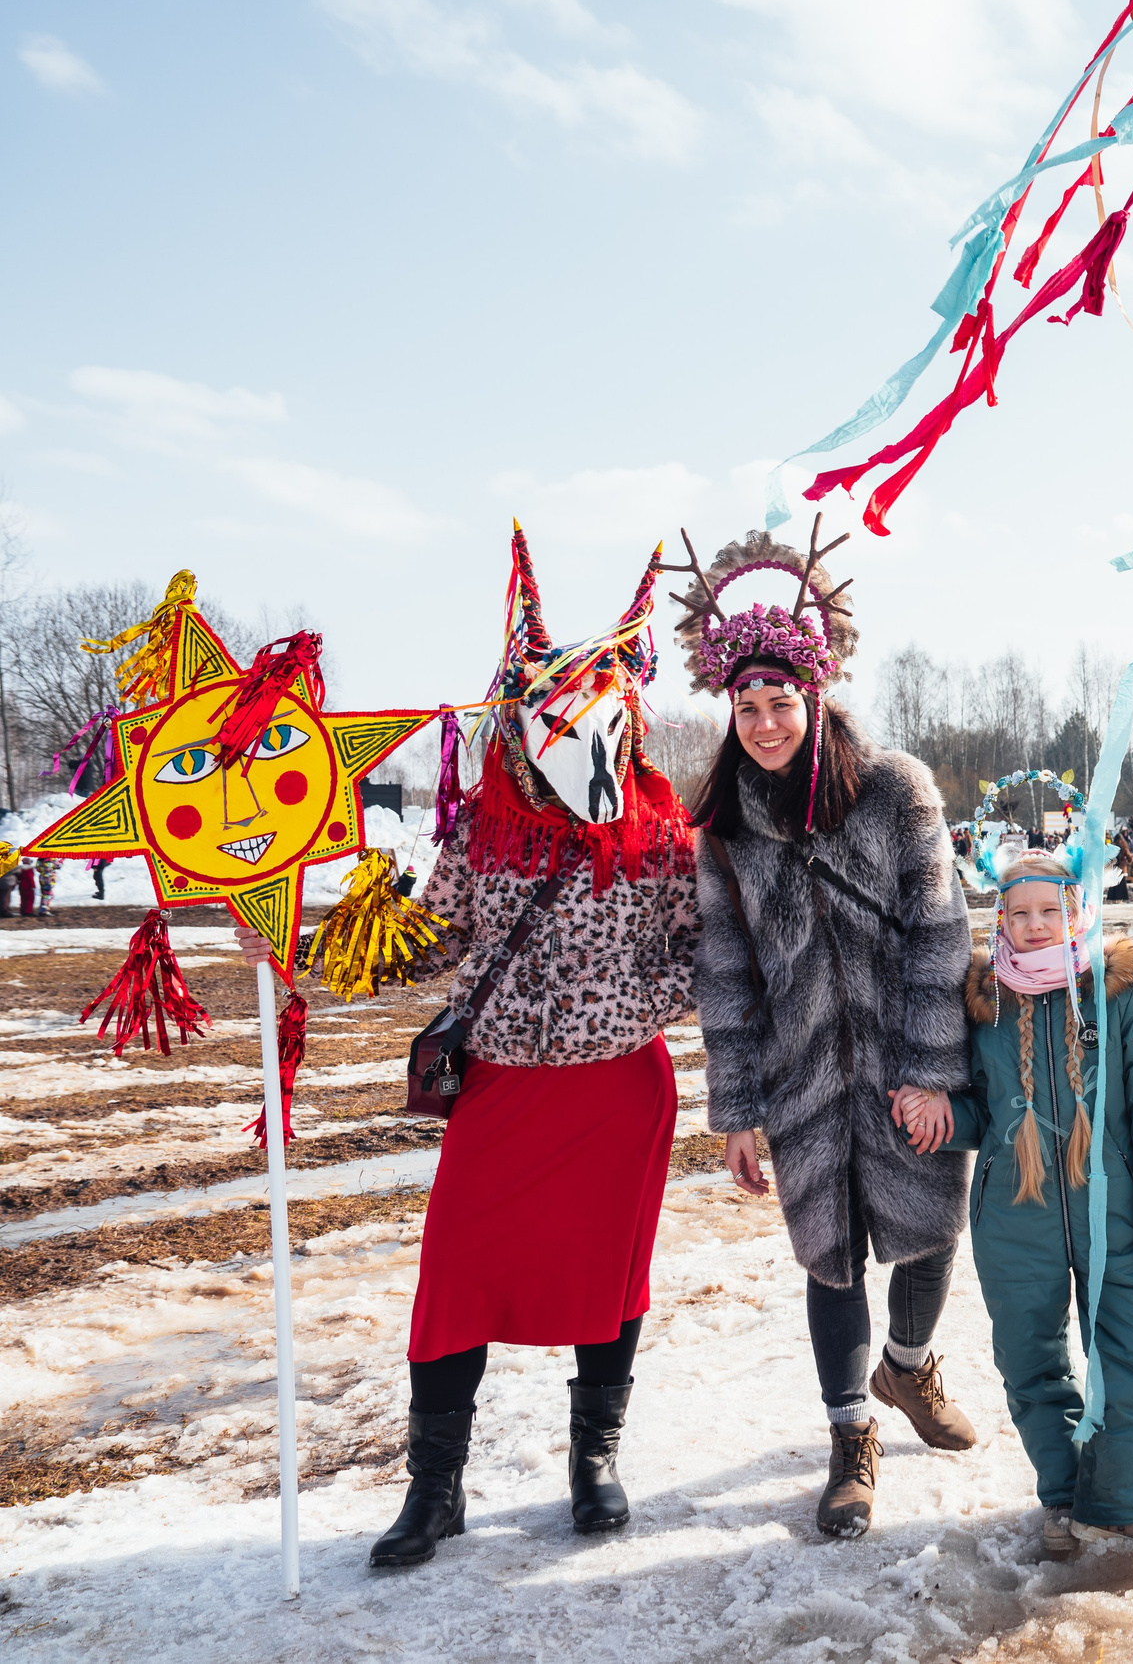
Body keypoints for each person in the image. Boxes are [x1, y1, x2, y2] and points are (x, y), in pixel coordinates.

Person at [344, 527, 700, 1568]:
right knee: (456, 1275)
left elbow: (700, 952)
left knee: (606, 1274)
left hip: (616, 1090)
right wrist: (310, 940)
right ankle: (434, 1486)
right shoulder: (482, 832)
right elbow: (426, 940)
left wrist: (631, 1007)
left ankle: (594, 1462)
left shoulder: (659, 834)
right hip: (499, 1089)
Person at [680, 528, 979, 1540]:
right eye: (746, 706)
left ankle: (906, 1364)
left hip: (908, 1058)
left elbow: (942, 931)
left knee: (935, 1227)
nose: (765, 722)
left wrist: (934, 1070)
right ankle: (850, 1433)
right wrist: (737, 1110)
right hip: (802, 1073)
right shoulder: (722, 825)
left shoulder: (895, 787)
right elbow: (724, 973)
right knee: (829, 1253)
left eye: (780, 702)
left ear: (813, 694)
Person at [898, 850, 1133, 1561]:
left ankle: (1119, 1507)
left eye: (1050, 912)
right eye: (1019, 913)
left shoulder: (1117, 991)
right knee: (1031, 1357)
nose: (1034, 927)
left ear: (1076, 911)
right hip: (1014, 1208)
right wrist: (939, 1111)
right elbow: (982, 1111)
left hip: (1116, 1209)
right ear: (1000, 917)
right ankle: (1064, 1498)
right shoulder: (982, 1000)